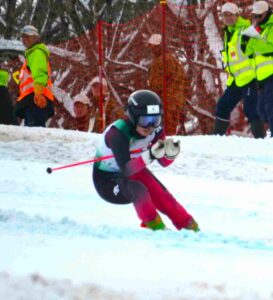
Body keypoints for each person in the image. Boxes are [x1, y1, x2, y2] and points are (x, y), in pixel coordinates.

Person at [92, 89, 199, 231]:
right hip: (107, 179)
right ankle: (155, 227)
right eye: (145, 120)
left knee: (162, 195)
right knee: (139, 190)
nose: (150, 126)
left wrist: (169, 154)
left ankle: (189, 227)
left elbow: (164, 162)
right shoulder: (117, 133)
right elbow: (127, 169)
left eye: (155, 120)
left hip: (136, 168)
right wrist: (151, 155)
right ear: (133, 117)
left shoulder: (156, 131)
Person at [213, 3, 265, 138]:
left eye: (230, 15)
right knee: (222, 106)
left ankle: (261, 141)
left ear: (237, 15)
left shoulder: (246, 29)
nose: (227, 18)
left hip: (250, 78)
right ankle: (216, 140)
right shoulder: (229, 32)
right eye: (224, 15)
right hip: (236, 79)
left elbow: (260, 48)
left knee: (251, 110)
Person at [243, 1, 273, 137]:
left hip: (271, 74)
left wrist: (252, 41)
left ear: (267, 14)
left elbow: (269, 48)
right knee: (261, 110)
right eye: (254, 16)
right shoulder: (260, 28)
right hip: (261, 77)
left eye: (259, 16)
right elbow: (248, 51)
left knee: (270, 107)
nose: (256, 19)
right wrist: (246, 41)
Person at [15, 25, 54, 127]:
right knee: (35, 133)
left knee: (35, 134)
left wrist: (39, 93)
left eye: (28, 36)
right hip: (34, 99)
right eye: (23, 37)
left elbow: (40, 74)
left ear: (36, 38)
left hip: (36, 99)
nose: (24, 39)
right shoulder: (32, 54)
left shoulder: (37, 53)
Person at [147, 34, 186, 135]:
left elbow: (157, 84)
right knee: (167, 129)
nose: (151, 50)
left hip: (167, 100)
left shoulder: (163, 60)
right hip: (172, 100)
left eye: (152, 47)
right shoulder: (169, 59)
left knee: (166, 131)